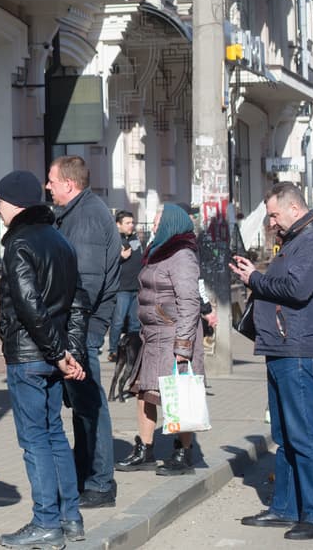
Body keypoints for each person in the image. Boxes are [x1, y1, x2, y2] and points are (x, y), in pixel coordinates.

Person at [230, 182, 313, 541]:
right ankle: (287, 508)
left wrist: (255, 279)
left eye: (275, 214)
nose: (272, 222)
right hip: (281, 348)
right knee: (285, 434)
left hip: (300, 350)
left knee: (305, 434)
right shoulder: (294, 241)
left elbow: (297, 289)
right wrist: (256, 272)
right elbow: (283, 282)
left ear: (295, 208)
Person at [0, 170, 89, 550]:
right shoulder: (59, 240)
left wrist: (60, 353)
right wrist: (70, 352)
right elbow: (78, 302)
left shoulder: (19, 243)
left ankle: (46, 522)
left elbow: (29, 306)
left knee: (35, 440)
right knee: (54, 436)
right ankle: (71, 519)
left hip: (30, 355)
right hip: (53, 355)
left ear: (14, 203)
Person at [46, 156, 119, 508]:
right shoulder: (77, 213)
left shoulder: (87, 216)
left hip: (82, 328)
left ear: (69, 184)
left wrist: (72, 332)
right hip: (80, 327)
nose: (48, 186)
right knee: (81, 405)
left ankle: (100, 482)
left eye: (52, 180)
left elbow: (85, 285)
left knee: (90, 405)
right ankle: (86, 474)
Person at [113, 204, 205, 476]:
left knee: (179, 395)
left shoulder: (182, 255)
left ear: (171, 224)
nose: (152, 226)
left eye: (156, 222)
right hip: (153, 335)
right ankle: (145, 449)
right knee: (145, 392)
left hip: (174, 334)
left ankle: (182, 452)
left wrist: (184, 346)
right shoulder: (158, 251)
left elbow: (189, 301)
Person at [108, 210, 143, 361]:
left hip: (136, 287)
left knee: (135, 323)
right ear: (118, 225)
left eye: (132, 222)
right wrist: (120, 257)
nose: (131, 225)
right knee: (118, 321)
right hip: (122, 288)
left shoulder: (135, 239)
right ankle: (113, 351)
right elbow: (107, 262)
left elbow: (139, 258)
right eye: (127, 223)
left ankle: (132, 350)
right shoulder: (114, 240)